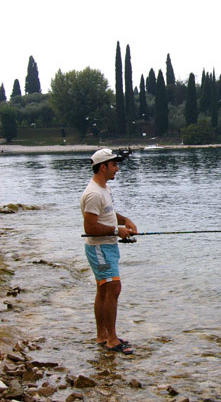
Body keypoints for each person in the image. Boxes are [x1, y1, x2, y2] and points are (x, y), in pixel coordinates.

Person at [80, 148, 137, 355]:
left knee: (104, 290)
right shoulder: (93, 193)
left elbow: (109, 214)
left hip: (106, 247)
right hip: (100, 249)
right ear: (103, 167)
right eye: (114, 165)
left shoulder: (104, 189)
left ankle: (102, 335)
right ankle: (111, 340)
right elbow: (90, 227)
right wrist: (117, 230)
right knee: (113, 289)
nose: (117, 169)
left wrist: (124, 221)